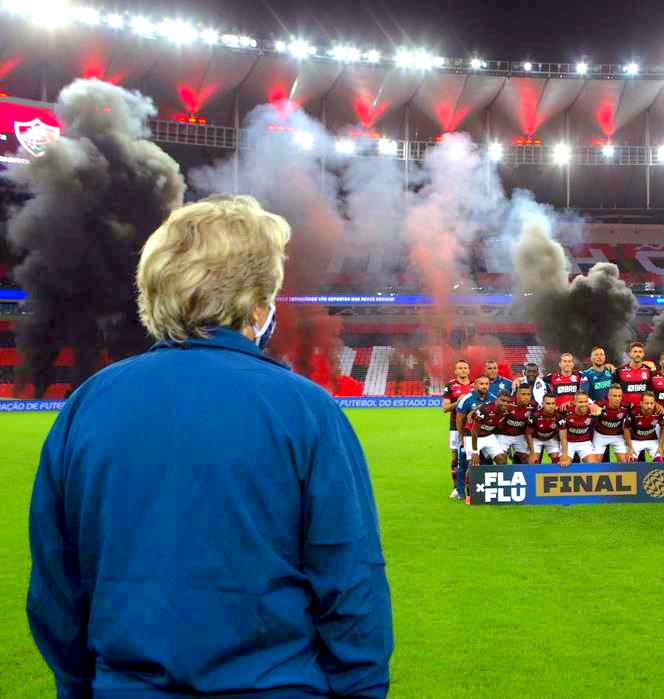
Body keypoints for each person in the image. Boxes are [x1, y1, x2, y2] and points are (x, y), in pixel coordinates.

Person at [27, 196, 392, 698]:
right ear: (260, 305)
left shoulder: (87, 406)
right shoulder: (306, 410)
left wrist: (83, 687)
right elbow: (351, 585)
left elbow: (55, 590)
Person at [454, 375, 491, 498]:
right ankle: (460, 492)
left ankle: (481, 490)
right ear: (475, 385)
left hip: (485, 437)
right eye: (481, 384)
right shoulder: (467, 399)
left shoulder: (492, 398)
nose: (484, 386)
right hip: (469, 436)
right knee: (465, 464)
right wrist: (461, 437)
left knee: (485, 463)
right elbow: (459, 419)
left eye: (486, 384)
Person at [442, 359, 473, 498]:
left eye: (465, 368)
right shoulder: (450, 386)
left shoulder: (475, 385)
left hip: (472, 427)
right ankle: (456, 488)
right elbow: (445, 408)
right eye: (460, 368)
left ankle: (470, 485)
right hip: (455, 426)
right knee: (455, 458)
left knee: (471, 456)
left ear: (469, 370)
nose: (463, 370)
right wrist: (458, 402)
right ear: (456, 371)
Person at [470, 391, 512, 467]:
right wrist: (475, 451)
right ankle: (468, 478)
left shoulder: (507, 410)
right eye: (503, 400)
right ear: (496, 399)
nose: (505, 403)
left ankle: (500, 478)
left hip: (488, 436)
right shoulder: (485, 409)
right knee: (473, 465)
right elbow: (474, 431)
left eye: (508, 402)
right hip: (473, 436)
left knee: (502, 461)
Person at [592, 384, 632, 461]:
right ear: (609, 396)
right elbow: (586, 404)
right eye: (614, 396)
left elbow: (641, 407)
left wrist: (657, 405)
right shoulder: (599, 404)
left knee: (626, 463)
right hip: (600, 435)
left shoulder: (626, 406)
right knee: (595, 464)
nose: (617, 398)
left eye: (619, 396)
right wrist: (591, 406)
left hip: (617, 436)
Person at [498, 385, 537, 463]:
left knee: (526, 459)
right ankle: (506, 473)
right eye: (523, 394)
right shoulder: (508, 403)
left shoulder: (534, 405)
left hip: (520, 435)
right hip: (504, 435)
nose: (526, 397)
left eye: (528, 394)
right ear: (517, 395)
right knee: (501, 459)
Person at [559, 392, 600, 465]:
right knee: (564, 465)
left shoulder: (593, 411)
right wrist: (564, 456)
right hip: (568, 443)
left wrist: (595, 406)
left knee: (594, 465)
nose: (584, 404)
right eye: (580, 402)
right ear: (574, 402)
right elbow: (563, 438)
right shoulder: (566, 413)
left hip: (584, 443)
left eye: (585, 401)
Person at [625, 392, 664, 462]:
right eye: (646, 403)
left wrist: (660, 446)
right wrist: (630, 447)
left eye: (651, 403)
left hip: (652, 440)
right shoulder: (633, 412)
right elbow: (626, 429)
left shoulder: (658, 412)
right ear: (641, 403)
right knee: (631, 460)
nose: (649, 406)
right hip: (636, 440)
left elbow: (663, 427)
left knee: (660, 460)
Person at [615, 341, 653, 407]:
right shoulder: (620, 371)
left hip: (643, 409)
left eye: (640, 352)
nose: (637, 354)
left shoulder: (649, 370)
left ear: (643, 354)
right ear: (629, 354)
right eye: (635, 352)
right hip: (625, 409)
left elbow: (652, 391)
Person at [527, 394, 562, 464]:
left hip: (551, 438)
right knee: (533, 462)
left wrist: (563, 454)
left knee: (558, 461)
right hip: (536, 439)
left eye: (553, 403)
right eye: (548, 403)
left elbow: (563, 437)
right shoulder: (534, 415)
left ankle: (552, 474)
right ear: (542, 404)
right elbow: (528, 434)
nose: (551, 406)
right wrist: (532, 453)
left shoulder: (559, 416)